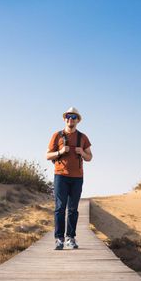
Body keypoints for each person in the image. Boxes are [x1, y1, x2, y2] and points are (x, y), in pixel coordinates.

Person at [46, 107, 93, 250]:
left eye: (73, 117)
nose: (70, 119)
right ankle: (59, 239)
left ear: (78, 120)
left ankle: (70, 238)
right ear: (64, 119)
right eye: (68, 116)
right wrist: (60, 151)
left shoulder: (83, 137)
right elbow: (48, 155)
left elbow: (90, 157)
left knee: (73, 209)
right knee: (60, 208)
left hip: (77, 178)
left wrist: (82, 153)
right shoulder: (57, 135)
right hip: (60, 176)